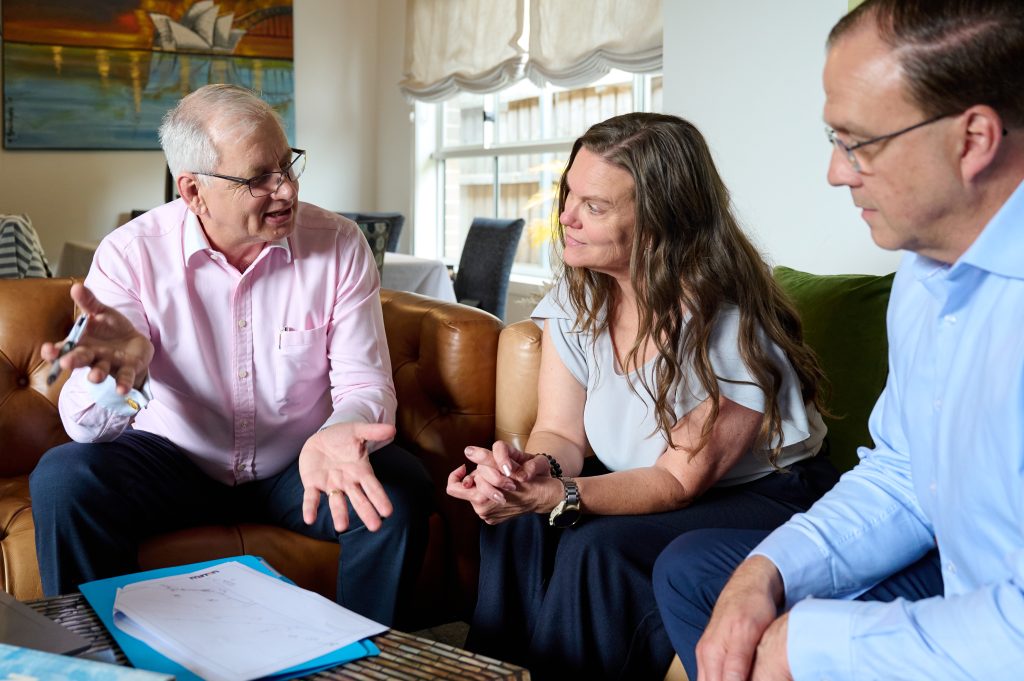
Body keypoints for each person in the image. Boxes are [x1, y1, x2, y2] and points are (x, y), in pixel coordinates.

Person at [653, 0, 1024, 679]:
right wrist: (765, 570)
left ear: (973, 139)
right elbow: (904, 471)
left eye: (859, 143)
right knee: (705, 575)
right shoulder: (923, 271)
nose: (837, 172)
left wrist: (816, 642)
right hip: (964, 573)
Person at [445, 112, 840, 680]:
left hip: (763, 495)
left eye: (595, 206)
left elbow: (676, 482)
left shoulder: (729, 325)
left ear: (661, 220)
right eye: (569, 194)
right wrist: (528, 473)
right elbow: (560, 433)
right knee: (519, 521)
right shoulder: (579, 297)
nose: (566, 217)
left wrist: (561, 494)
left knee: (597, 548)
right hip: (652, 479)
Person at [28, 84, 432, 626]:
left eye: (287, 166)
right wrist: (122, 378)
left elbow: (365, 383)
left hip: (298, 461)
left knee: (397, 491)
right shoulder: (130, 254)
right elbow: (83, 427)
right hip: (175, 459)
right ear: (193, 191)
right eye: (259, 178)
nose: (286, 190)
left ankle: (368, 659)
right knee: (64, 479)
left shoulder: (339, 244)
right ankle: (96, 658)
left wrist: (341, 430)